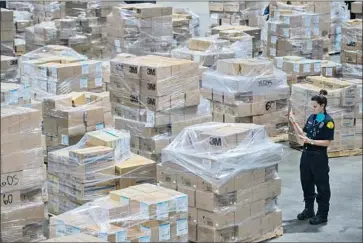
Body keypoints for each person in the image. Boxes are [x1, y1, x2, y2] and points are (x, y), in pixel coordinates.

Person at [289, 89, 335, 225]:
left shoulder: (328, 121)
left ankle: (322, 214)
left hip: (318, 157)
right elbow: (304, 134)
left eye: (315, 106)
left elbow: (327, 142)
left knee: (322, 185)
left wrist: (312, 141)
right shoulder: (313, 118)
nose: (313, 108)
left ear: (322, 106)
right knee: (306, 182)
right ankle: (309, 209)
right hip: (306, 156)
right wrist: (293, 122)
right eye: (312, 106)